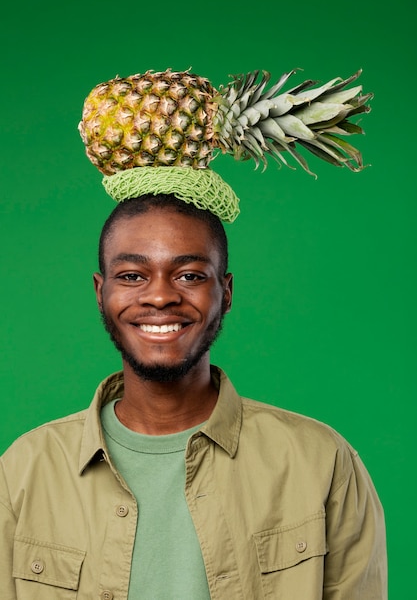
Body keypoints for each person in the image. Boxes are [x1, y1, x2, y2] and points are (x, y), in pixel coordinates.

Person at [0, 193, 387, 599]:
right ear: (101, 292)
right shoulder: (22, 474)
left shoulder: (322, 462)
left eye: (190, 275)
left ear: (227, 290)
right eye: (132, 275)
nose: (161, 296)